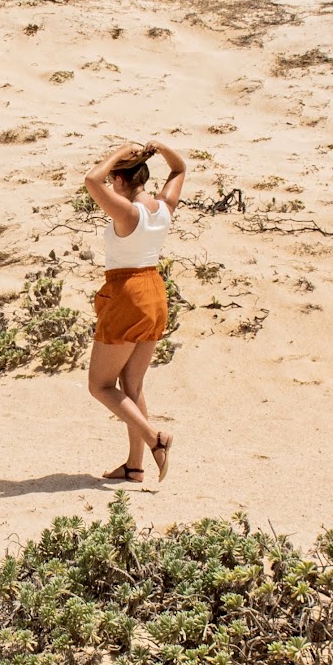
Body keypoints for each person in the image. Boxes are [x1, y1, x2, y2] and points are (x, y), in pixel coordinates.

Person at [82, 139, 185, 484]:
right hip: (155, 292)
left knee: (100, 386)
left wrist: (116, 154)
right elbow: (180, 168)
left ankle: (155, 438)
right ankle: (134, 466)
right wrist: (162, 148)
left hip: (128, 294)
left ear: (123, 181)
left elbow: (90, 181)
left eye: (116, 180)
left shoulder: (128, 213)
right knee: (132, 384)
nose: (112, 185)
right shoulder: (163, 208)